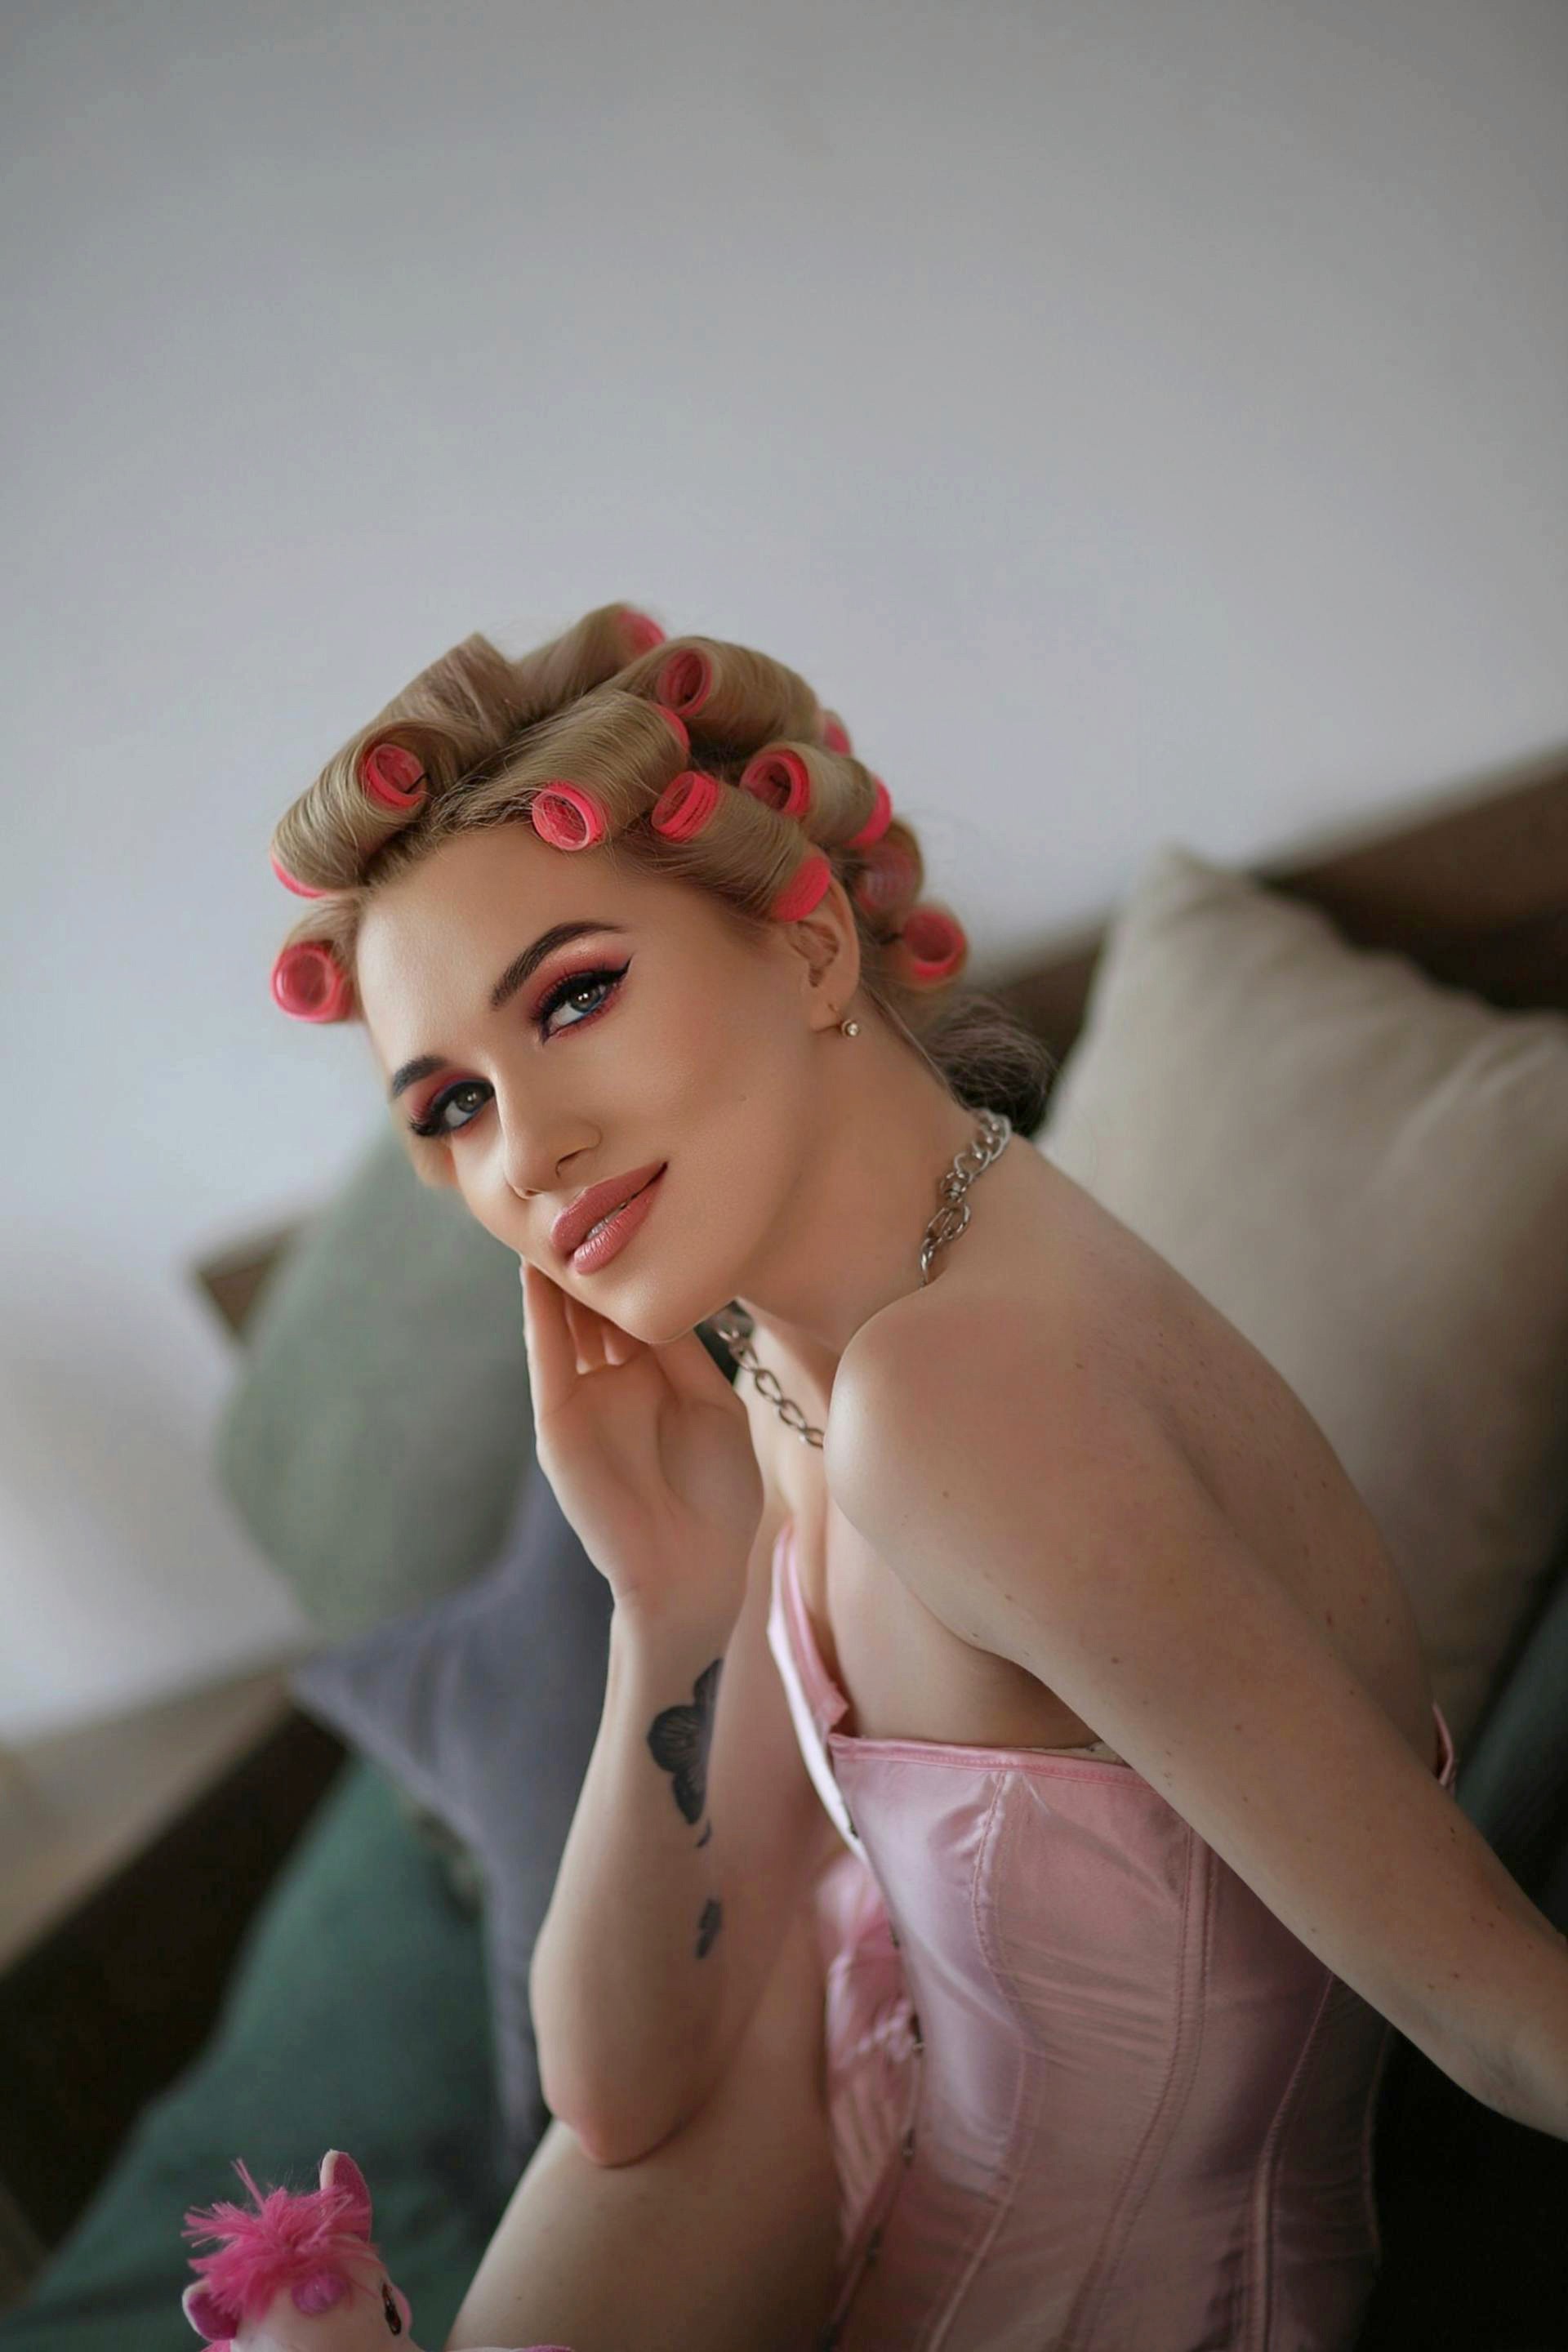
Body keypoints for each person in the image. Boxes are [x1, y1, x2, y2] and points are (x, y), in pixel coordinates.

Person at [266, 601, 1547, 2352]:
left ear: (806, 953)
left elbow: (1500, 2011)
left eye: (574, 996)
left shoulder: (956, 1400)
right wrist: (667, 1604)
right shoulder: (807, 1359)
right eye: (452, 1107)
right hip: (893, 2169)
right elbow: (624, 2092)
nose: (530, 1150)